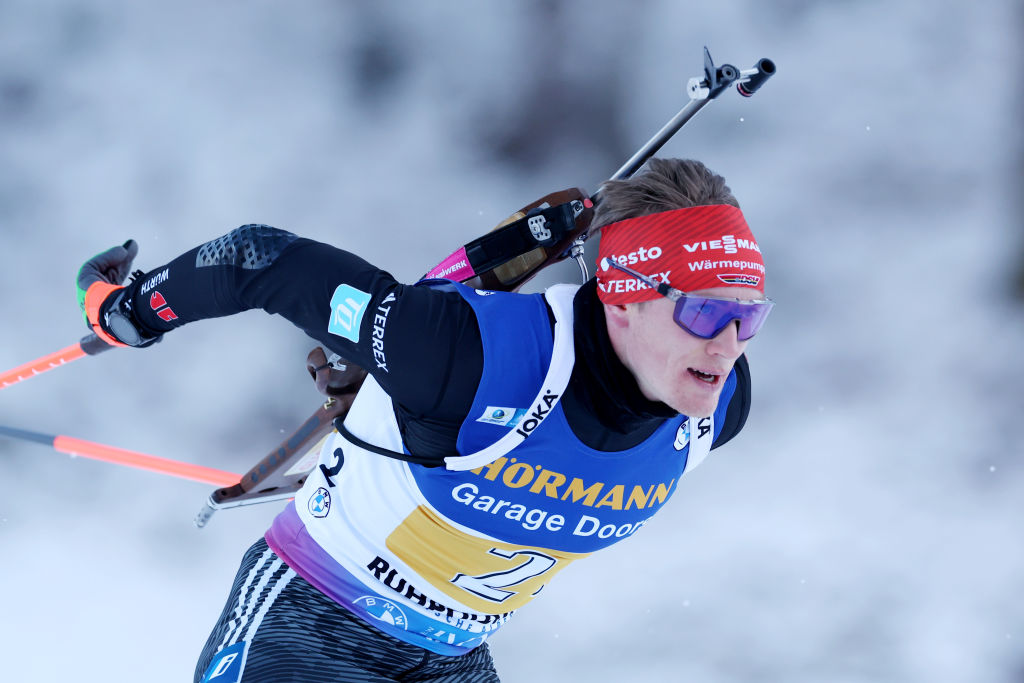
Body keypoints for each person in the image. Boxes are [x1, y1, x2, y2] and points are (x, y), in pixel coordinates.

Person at [76, 158, 773, 682]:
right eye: (707, 313)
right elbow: (262, 260)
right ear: (621, 298)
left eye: (749, 317)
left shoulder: (718, 405)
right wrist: (123, 310)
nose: (728, 345)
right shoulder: (466, 355)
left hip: (449, 658)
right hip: (311, 628)